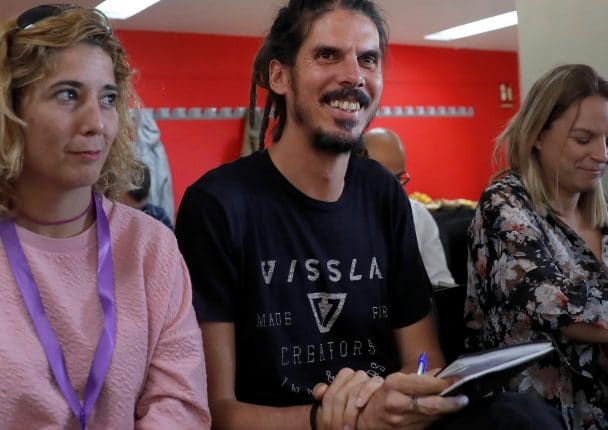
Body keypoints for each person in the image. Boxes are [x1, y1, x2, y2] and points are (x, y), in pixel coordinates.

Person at [176, 1, 564, 429]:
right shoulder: (218, 205)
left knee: (521, 417)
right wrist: (330, 418)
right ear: (280, 76)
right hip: (297, 424)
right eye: (327, 55)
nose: (354, 75)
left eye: (368, 59)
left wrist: (408, 392)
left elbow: (422, 359)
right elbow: (218, 411)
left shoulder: (383, 193)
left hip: (390, 421)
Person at [0, 5, 210, 428]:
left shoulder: (151, 246)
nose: (96, 122)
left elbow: (181, 405)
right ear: (11, 111)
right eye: (68, 94)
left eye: (108, 98)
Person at [464, 64, 608, 429]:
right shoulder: (504, 204)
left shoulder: (607, 213)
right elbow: (559, 307)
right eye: (583, 139)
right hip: (534, 414)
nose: (602, 155)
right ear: (537, 134)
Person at [364, 127, 455, 286]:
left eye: (399, 179)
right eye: (383, 179)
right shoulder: (335, 216)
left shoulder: (417, 214)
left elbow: (441, 282)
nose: (393, 189)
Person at [119, 163, 174, 229]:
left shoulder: (158, 216)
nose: (131, 213)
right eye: (126, 207)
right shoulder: (112, 211)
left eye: (138, 209)